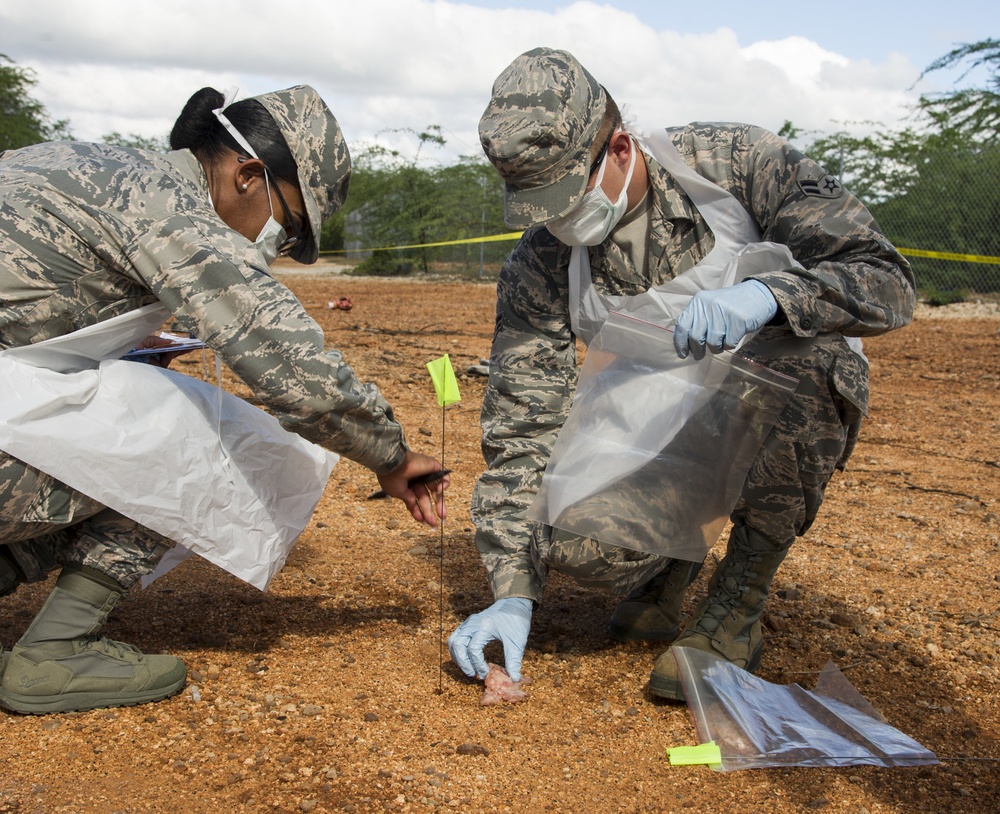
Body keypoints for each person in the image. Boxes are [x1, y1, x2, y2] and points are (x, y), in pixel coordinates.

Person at [448, 47, 914, 700]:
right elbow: (521, 423)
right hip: (657, 405)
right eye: (539, 207)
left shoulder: (736, 163)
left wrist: (772, 296)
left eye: (565, 197)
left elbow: (884, 278)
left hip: (774, 382)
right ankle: (665, 567)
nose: (557, 222)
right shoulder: (541, 261)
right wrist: (513, 591)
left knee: (818, 359)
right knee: (570, 539)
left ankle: (737, 603)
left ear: (616, 148)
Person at [0, 85, 448, 714]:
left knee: (116, 405)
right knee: (198, 432)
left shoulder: (93, 166)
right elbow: (295, 369)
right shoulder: (171, 207)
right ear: (247, 173)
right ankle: (55, 653)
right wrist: (392, 458)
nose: (281, 248)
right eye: (289, 226)